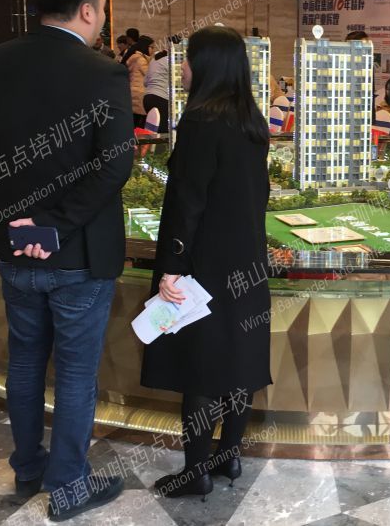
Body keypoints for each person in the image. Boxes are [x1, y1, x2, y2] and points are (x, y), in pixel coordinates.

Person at [0, 0, 133, 522]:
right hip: (76, 251)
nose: (103, 17)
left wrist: (31, 222)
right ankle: (67, 487)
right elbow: (114, 166)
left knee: (24, 362)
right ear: (87, 10)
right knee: (74, 373)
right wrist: (57, 226)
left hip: (13, 242)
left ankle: (27, 467)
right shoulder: (103, 73)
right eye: (103, 8)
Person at [141, 26, 271, 500]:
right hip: (247, 261)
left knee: (200, 368)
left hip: (204, 264)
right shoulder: (252, 121)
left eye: (188, 58)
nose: (183, 67)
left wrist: (172, 266)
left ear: (207, 65)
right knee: (238, 361)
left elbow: (187, 201)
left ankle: (196, 469)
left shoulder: (200, 121)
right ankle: (228, 455)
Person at [143, 45, 171, 133]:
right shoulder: (170, 60)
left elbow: (145, 82)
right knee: (163, 132)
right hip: (161, 98)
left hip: (148, 98)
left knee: (152, 131)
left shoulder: (154, 59)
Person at [127, 35, 152, 128]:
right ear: (146, 46)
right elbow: (148, 75)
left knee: (135, 119)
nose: (152, 50)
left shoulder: (134, 57)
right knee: (141, 121)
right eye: (151, 47)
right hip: (140, 93)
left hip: (133, 91)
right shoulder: (141, 60)